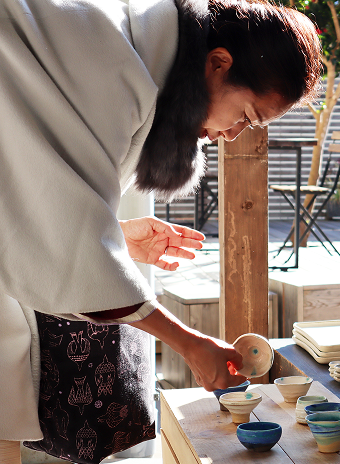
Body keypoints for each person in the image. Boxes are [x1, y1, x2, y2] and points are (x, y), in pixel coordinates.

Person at [0, 0, 321, 461]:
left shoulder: (129, 49)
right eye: (247, 116)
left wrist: (115, 234)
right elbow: (58, 223)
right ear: (218, 63)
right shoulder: (110, 59)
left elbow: (40, 201)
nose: (233, 136)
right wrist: (192, 345)